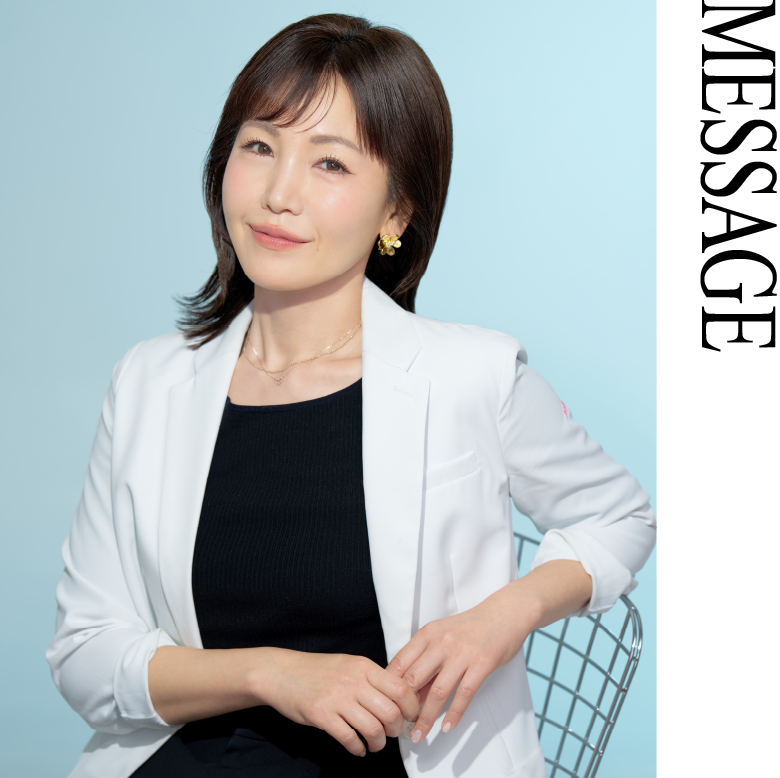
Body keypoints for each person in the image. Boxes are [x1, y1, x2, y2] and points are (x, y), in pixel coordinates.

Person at [46, 13, 656, 778]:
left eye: (330, 164)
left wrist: (503, 616)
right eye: (259, 146)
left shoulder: (472, 375)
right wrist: (271, 673)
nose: (279, 193)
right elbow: (84, 654)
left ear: (396, 211)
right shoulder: (147, 381)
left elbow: (620, 517)